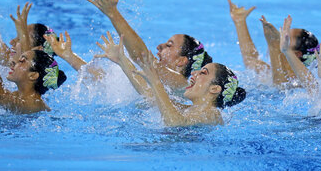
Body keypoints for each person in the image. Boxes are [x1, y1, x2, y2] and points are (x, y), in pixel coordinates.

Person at [97, 34, 246, 126]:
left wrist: (155, 80)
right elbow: (150, 96)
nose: (193, 75)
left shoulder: (212, 115)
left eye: (203, 73)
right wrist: (122, 60)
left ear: (214, 89)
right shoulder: (191, 109)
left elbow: (174, 122)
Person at [85, 0, 212, 91]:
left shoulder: (181, 84)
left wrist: (113, 14)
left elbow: (142, 57)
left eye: (169, 45)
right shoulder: (154, 79)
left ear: (181, 61)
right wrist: (68, 55)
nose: (159, 46)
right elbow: (103, 82)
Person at [0, 18, 67, 114]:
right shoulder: (22, 95)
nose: (14, 63)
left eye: (21, 61)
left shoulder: (33, 104)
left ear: (33, 75)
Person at [228, 0, 319, 87]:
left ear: (297, 54)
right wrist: (240, 22)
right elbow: (250, 60)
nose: (281, 37)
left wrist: (274, 45)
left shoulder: (298, 81)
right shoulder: (268, 69)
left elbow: (279, 86)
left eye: (287, 37)